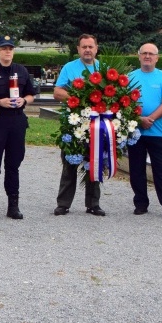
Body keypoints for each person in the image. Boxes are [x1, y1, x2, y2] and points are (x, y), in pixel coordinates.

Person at [0, 36, 36, 221]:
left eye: (10, 48)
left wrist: (24, 100)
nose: (7, 51)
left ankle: (13, 205)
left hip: (16, 122)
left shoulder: (22, 71)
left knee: (13, 165)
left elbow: (31, 94)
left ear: (14, 51)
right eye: (4, 48)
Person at [127, 43, 162, 221]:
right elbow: (125, 103)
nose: (147, 56)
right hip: (136, 133)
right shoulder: (130, 77)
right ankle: (141, 204)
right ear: (139, 56)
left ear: (157, 58)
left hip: (156, 132)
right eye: (144, 53)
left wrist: (150, 118)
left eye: (151, 54)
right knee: (136, 170)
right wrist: (140, 119)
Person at [53, 34, 104, 217]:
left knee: (95, 163)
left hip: (97, 125)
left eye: (91, 46)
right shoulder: (69, 68)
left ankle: (93, 204)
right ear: (78, 49)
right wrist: (78, 100)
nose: (87, 50)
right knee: (69, 164)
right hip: (74, 124)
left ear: (96, 48)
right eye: (84, 47)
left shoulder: (103, 69)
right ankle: (63, 204)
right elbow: (58, 92)